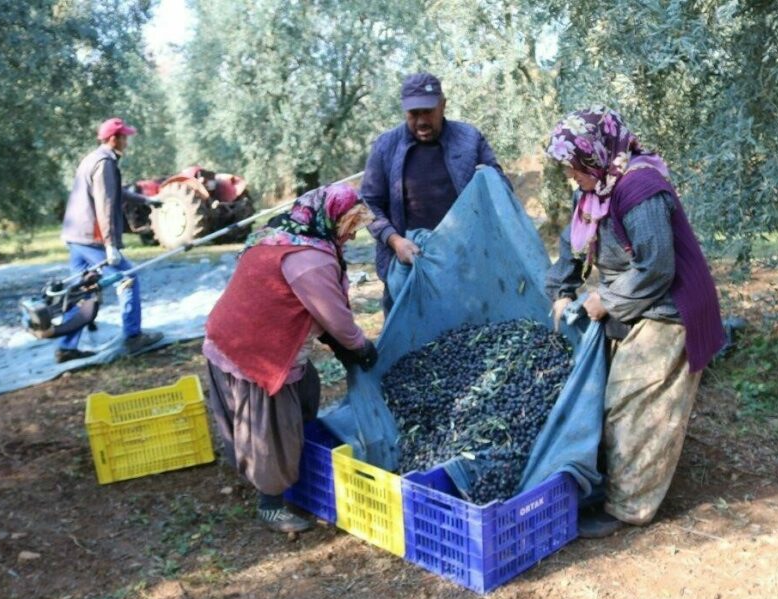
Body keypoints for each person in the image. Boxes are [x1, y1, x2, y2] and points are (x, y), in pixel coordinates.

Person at [544, 108, 725, 538]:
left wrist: (605, 300)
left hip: (671, 307)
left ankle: (628, 506)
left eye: (572, 165)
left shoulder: (638, 187)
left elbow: (657, 267)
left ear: (593, 154)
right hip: (636, 302)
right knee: (606, 394)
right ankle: (616, 477)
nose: (570, 175)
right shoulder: (590, 191)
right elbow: (569, 254)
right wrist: (562, 292)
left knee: (632, 400)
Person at [202, 183, 377, 534]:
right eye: (350, 225)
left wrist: (343, 346)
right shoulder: (309, 260)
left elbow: (308, 308)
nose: (353, 235)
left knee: (307, 390)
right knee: (273, 429)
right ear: (330, 218)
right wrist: (360, 348)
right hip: (258, 353)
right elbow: (336, 318)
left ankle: (296, 458)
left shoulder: (283, 235)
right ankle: (271, 504)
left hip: (230, 335)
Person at [361, 71, 509, 312]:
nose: (421, 121)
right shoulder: (386, 146)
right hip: (409, 263)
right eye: (413, 114)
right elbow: (367, 204)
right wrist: (395, 240)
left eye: (428, 111)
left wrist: (489, 179)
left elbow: (501, 186)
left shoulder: (469, 139)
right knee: (410, 340)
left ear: (443, 105)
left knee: (467, 335)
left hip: (465, 263)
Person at [59, 117, 162, 363]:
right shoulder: (105, 162)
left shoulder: (93, 158)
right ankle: (133, 336)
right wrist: (109, 245)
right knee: (127, 277)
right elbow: (105, 204)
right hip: (92, 237)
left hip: (75, 236)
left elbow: (115, 192)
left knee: (81, 290)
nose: (127, 141)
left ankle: (66, 347)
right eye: (124, 137)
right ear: (114, 138)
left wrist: (146, 201)